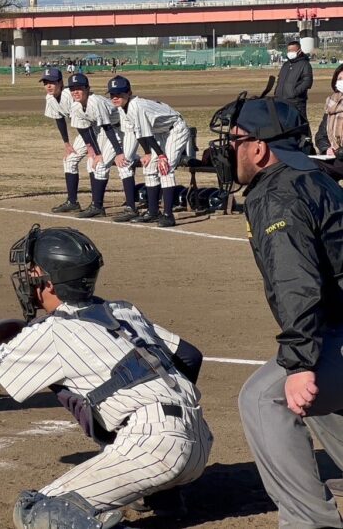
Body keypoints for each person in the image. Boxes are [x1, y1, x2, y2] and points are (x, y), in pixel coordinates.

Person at [0, 224, 211, 528]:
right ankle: (165, 493)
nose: (26, 278)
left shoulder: (54, 332)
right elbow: (189, 356)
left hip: (155, 448)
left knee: (37, 510)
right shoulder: (123, 310)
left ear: (46, 281)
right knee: (110, 397)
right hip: (198, 443)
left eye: (31, 271)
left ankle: (155, 483)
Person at [207, 96, 343, 527]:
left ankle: (310, 524)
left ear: (260, 149)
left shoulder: (276, 195)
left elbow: (296, 283)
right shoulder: (313, 176)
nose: (226, 150)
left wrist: (301, 362)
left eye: (234, 141)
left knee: (265, 398)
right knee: (315, 399)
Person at [108, 75, 191, 227]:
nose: (115, 97)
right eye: (112, 94)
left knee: (165, 167)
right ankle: (153, 212)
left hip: (175, 129)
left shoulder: (136, 106)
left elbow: (146, 134)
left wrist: (160, 155)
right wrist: (148, 153)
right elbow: (137, 133)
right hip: (160, 133)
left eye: (119, 93)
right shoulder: (122, 109)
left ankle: (168, 215)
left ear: (129, 92)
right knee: (149, 168)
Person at [66, 74, 138, 220]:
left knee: (123, 164)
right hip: (106, 131)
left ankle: (131, 208)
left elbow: (108, 128)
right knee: (95, 165)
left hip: (123, 128)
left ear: (87, 88)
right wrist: (93, 151)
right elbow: (84, 129)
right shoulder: (75, 105)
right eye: (72, 89)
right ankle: (97, 206)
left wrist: (118, 152)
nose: (75, 92)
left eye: (79, 88)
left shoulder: (95, 102)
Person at [41, 67, 86, 214]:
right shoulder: (50, 98)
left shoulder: (69, 96)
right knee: (70, 160)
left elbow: (82, 122)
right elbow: (59, 119)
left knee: (110, 162)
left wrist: (92, 148)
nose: (48, 86)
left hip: (99, 128)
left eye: (52, 82)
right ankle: (72, 202)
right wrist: (67, 144)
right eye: (46, 82)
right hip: (86, 131)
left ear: (60, 83)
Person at [274, 40, 314, 136]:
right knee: (283, 125)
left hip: (296, 102)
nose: (290, 52)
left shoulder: (305, 64)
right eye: (288, 50)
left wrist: (294, 93)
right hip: (281, 100)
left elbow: (307, 82)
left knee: (301, 124)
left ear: (299, 51)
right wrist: (277, 92)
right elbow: (280, 80)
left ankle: (307, 144)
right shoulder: (286, 65)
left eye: (292, 50)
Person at [314, 63, 343, 180]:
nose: (342, 81)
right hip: (335, 157)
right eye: (340, 79)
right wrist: (327, 149)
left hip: (340, 157)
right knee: (309, 167)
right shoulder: (331, 104)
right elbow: (321, 135)